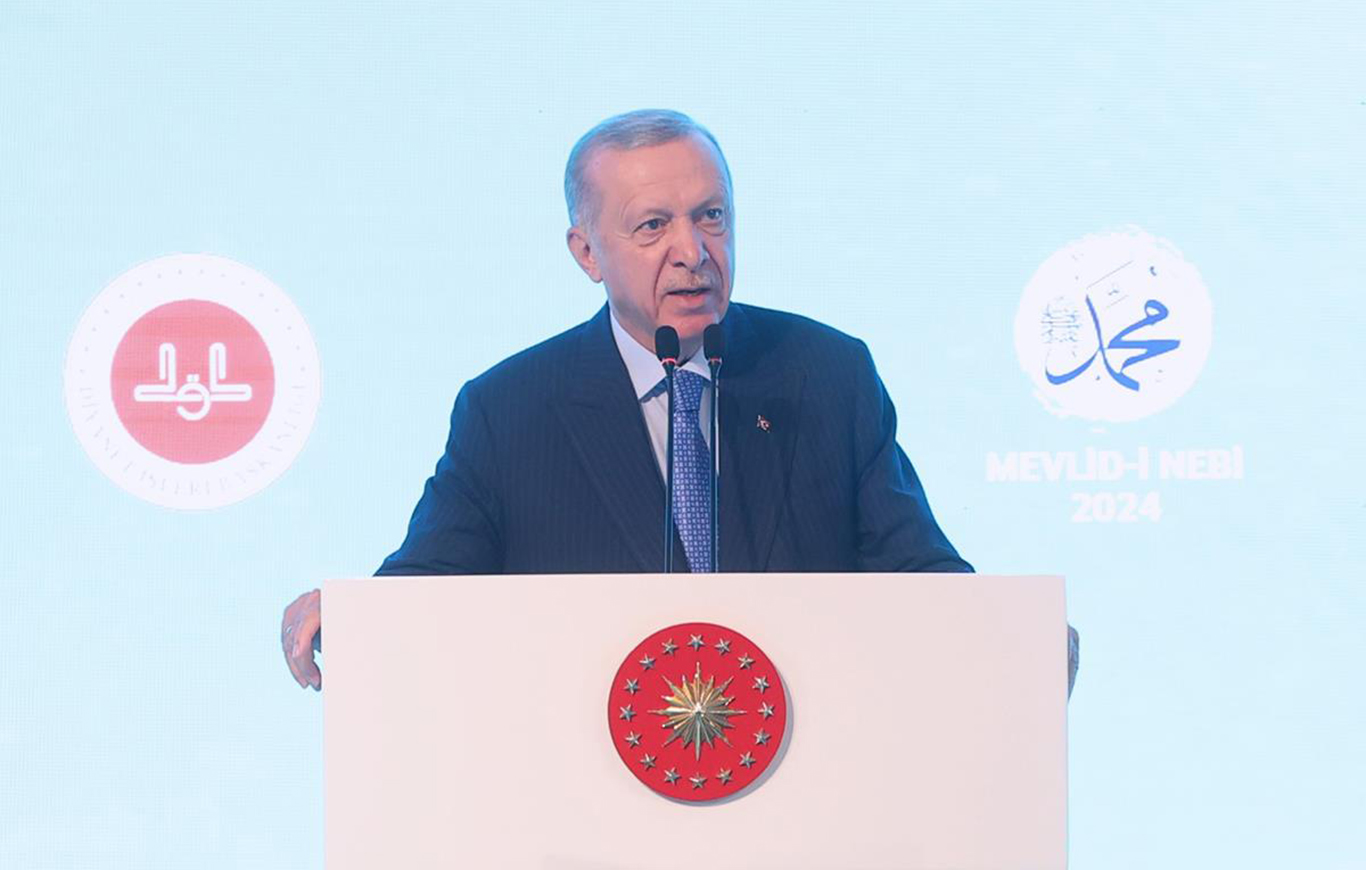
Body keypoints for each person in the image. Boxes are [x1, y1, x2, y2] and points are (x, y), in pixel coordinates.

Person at [280, 109, 1079, 693]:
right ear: (586, 252)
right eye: (653, 226)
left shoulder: (826, 375)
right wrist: (353, 615)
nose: (693, 252)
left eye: (711, 217)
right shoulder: (511, 410)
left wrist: (1010, 635)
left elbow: (916, 570)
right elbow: (431, 581)